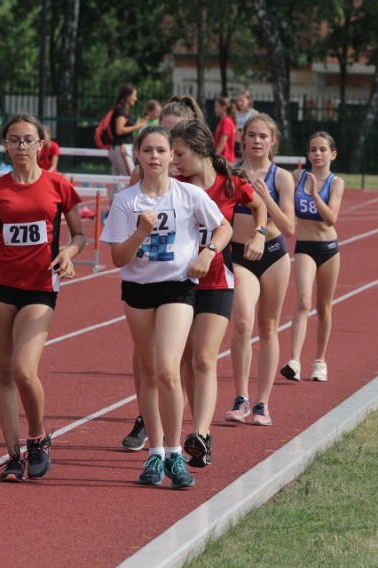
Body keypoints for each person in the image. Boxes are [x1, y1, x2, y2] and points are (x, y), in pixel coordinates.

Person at [100, 125, 231, 489]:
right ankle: (155, 453)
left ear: (172, 156)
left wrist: (208, 252)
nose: (154, 157)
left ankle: (175, 453)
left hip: (178, 287)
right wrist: (140, 232)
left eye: (161, 150)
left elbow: (223, 228)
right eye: (148, 151)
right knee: (147, 370)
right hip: (138, 290)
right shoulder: (127, 201)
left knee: (167, 369)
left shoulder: (189, 194)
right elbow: (116, 258)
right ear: (138, 156)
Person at [0, 112, 87, 482]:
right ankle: (13, 454)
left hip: (40, 287)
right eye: (13, 140)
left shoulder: (58, 185)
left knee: (23, 369)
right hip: (0, 286)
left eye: (27, 140)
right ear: (5, 144)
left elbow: (80, 235)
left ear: (41, 145)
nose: (21, 147)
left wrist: (68, 254)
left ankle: (38, 436)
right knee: (2, 370)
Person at [171, 119, 266, 467]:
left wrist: (259, 233)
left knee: (204, 358)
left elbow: (258, 207)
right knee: (183, 361)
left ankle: (201, 434)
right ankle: (185, 433)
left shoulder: (233, 182)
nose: (174, 160)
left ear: (199, 151)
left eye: (179, 153)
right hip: (179, 282)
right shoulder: (175, 185)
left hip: (217, 280)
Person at [120, 94, 205, 452]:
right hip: (145, 277)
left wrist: (210, 252)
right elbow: (124, 225)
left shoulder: (197, 176)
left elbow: (221, 222)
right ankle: (148, 422)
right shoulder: (137, 179)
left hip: (188, 275)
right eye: (152, 143)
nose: (159, 149)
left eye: (169, 140)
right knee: (148, 358)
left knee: (182, 359)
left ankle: (188, 435)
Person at [227, 113, 295, 426]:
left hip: (274, 256)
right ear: (243, 139)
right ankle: (240, 397)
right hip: (240, 256)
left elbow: (289, 227)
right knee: (242, 322)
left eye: (263, 136)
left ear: (272, 141)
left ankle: (262, 403)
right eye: (251, 135)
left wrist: (267, 198)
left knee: (268, 328)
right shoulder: (231, 172)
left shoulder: (281, 178)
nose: (257, 141)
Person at [280, 132, 344, 383]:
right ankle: (294, 360)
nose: (317, 154)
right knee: (303, 301)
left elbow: (331, 218)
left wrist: (316, 194)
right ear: (307, 154)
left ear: (332, 154)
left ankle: (320, 361)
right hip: (305, 246)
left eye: (322, 150)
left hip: (328, 248)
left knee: (324, 306)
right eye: (313, 150)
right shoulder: (297, 177)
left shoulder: (336, 182)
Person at [107, 83, 147, 177]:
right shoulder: (120, 110)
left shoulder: (120, 110)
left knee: (119, 182)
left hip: (117, 148)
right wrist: (138, 126)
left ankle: (115, 193)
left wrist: (135, 124)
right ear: (127, 96)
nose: (136, 99)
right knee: (133, 178)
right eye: (134, 96)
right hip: (122, 148)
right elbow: (119, 130)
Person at [213, 96, 237, 164]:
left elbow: (222, 144)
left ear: (224, 107)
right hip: (223, 159)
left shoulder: (226, 121)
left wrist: (213, 157)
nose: (215, 109)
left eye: (217, 107)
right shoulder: (223, 121)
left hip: (226, 160)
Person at [234, 90, 257, 156]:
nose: (239, 103)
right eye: (238, 100)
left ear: (248, 100)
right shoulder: (234, 113)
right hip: (235, 143)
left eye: (242, 100)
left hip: (247, 144)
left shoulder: (254, 114)